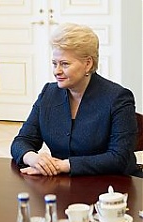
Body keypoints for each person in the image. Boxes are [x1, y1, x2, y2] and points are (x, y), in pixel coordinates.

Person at [11, 23, 142, 177]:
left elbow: (119, 157)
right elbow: (22, 140)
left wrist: (63, 166)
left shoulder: (118, 98)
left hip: (113, 188)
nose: (57, 71)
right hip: (64, 184)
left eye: (64, 64)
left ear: (88, 64)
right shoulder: (48, 93)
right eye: (54, 64)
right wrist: (33, 158)